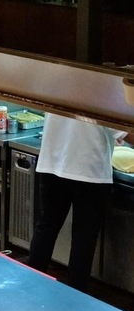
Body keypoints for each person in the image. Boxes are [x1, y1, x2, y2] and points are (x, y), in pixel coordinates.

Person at [27, 113, 127, 293]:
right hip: (89, 171)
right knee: (83, 238)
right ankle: (76, 295)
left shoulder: (59, 90)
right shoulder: (107, 95)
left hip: (52, 163)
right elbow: (125, 129)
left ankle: (30, 287)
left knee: (46, 228)